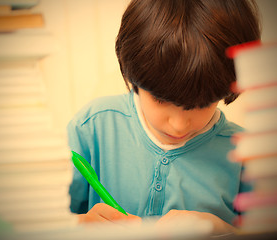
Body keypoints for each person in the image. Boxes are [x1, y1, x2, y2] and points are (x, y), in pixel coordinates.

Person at [67, 0, 261, 234]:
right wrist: (77, 227)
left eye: (200, 105)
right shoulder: (92, 128)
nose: (178, 125)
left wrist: (220, 230)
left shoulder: (249, 155)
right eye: (161, 100)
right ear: (134, 74)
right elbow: (41, 222)